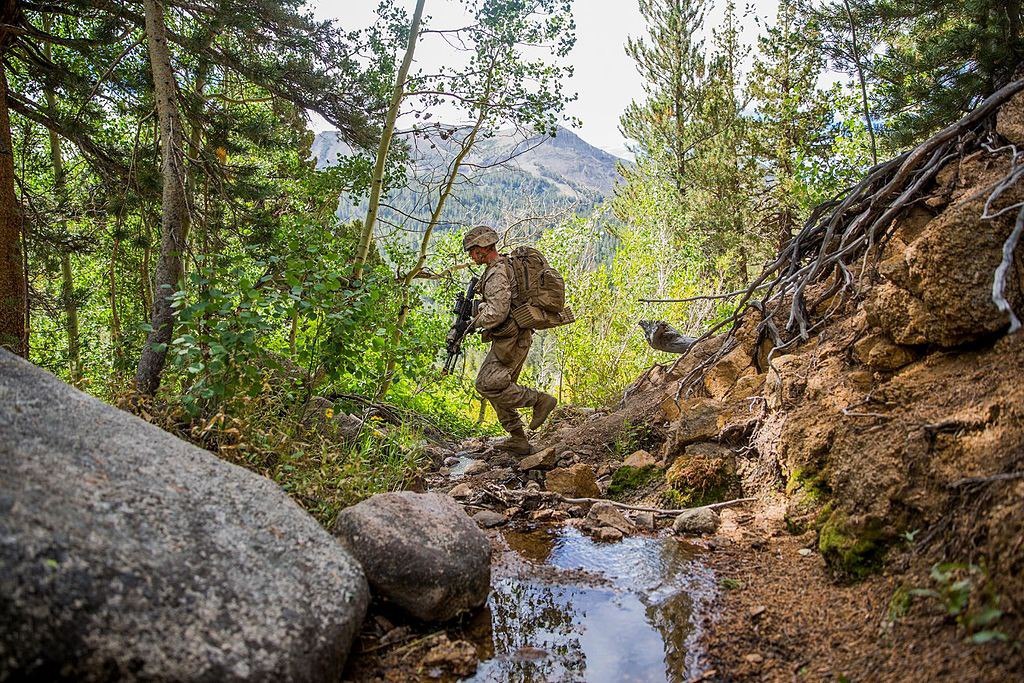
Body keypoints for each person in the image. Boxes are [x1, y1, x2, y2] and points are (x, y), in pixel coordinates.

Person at [461, 225, 557, 454]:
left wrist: (473, 321)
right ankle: (518, 438)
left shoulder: (497, 273)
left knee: (486, 384)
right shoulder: (502, 266)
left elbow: (497, 312)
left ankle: (539, 401)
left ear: (483, 248)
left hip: (512, 340)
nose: (472, 256)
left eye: (473, 250)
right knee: (499, 386)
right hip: (513, 337)